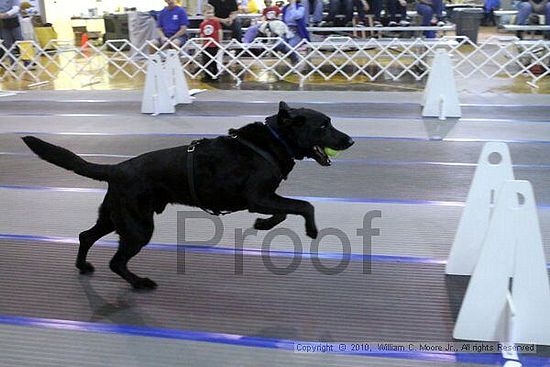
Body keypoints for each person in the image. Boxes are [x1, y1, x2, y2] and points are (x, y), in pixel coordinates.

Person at [199, 4, 222, 80]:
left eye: (212, 13)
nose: (210, 15)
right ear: (204, 13)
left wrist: (219, 42)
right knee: (206, 60)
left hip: (214, 44)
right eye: (208, 13)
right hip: (206, 45)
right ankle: (207, 75)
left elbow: (219, 31)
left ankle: (215, 74)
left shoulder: (216, 22)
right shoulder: (202, 24)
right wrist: (202, 44)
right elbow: (202, 34)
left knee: (213, 60)